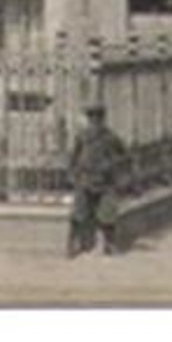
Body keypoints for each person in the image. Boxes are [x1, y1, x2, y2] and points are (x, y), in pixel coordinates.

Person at [68, 103, 129, 257]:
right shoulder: (81, 136)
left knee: (108, 214)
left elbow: (123, 155)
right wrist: (73, 174)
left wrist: (113, 167)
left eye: (98, 119)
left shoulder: (110, 137)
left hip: (105, 181)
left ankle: (110, 244)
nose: (95, 123)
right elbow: (74, 157)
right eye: (92, 119)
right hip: (85, 179)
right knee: (78, 213)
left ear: (102, 120)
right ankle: (74, 243)